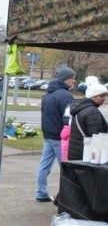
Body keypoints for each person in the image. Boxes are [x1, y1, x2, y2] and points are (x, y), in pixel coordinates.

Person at [36, 66, 77, 202]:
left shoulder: (48, 94)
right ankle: (66, 197)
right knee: (66, 168)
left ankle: (41, 192)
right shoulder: (66, 96)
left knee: (44, 166)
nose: (74, 81)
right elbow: (68, 118)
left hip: (48, 135)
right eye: (72, 78)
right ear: (65, 79)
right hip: (61, 137)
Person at [68, 82, 108, 161]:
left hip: (75, 151)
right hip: (87, 155)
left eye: (105, 96)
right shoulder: (92, 111)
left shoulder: (80, 107)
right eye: (102, 96)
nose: (105, 98)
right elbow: (97, 137)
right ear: (93, 96)